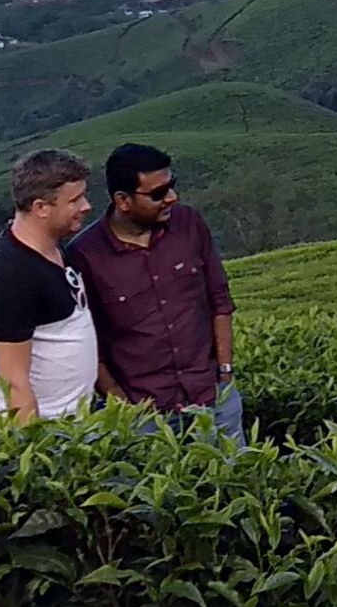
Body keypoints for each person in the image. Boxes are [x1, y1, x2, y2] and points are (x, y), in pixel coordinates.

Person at [67, 142, 240, 441]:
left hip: (212, 398)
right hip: (144, 415)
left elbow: (219, 301)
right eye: (158, 194)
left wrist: (224, 375)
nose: (171, 198)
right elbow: (85, 342)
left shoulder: (189, 224)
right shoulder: (85, 256)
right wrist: (119, 401)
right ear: (123, 200)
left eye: (171, 186)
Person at [0, 149, 99, 423]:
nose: (86, 206)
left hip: (75, 420)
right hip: (50, 428)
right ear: (41, 207)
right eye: (74, 200)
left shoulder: (52, 248)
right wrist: (33, 447)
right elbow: (14, 383)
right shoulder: (11, 276)